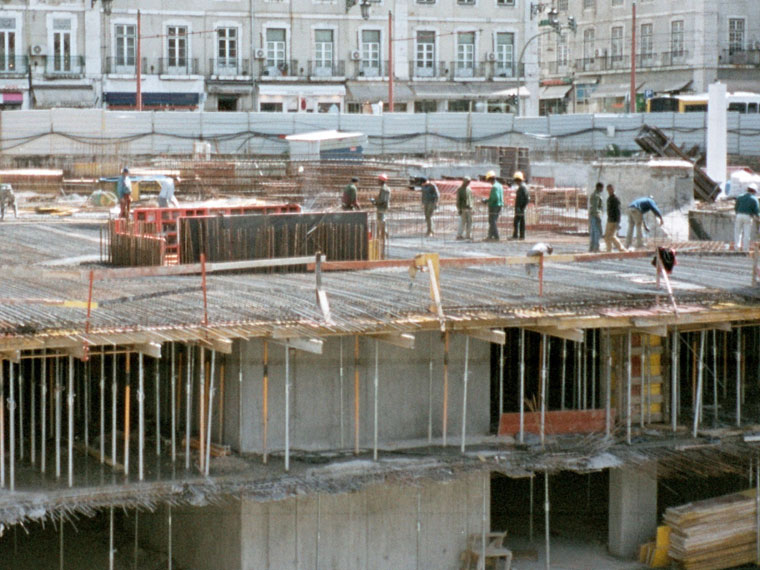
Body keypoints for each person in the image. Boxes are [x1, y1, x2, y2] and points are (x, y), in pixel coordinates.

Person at [734, 183, 760, 252]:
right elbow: (757, 211)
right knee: (746, 233)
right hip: (748, 217)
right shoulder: (754, 199)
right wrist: (757, 216)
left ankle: (736, 247)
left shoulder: (740, 197)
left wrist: (738, 212)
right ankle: (745, 249)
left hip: (739, 215)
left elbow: (736, 207)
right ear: (754, 191)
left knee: (737, 232)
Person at [604, 184, 626, 252]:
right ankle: (609, 250)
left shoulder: (615, 199)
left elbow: (618, 211)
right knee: (607, 237)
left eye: (611, 189)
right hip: (609, 220)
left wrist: (618, 222)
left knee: (612, 236)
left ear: (613, 189)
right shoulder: (609, 198)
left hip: (614, 220)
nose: (610, 191)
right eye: (609, 189)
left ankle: (622, 249)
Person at [483, 170, 503, 241]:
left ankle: (496, 236)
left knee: (492, 221)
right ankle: (490, 236)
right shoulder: (500, 185)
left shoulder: (494, 187)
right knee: (493, 221)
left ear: (490, 179)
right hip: (499, 205)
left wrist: (487, 201)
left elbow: (495, 197)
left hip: (494, 205)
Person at [370, 173, 391, 240]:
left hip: (381, 207)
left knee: (381, 222)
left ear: (381, 181)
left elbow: (382, 200)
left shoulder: (384, 189)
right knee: (382, 221)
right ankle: (384, 235)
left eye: (378, 180)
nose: (377, 181)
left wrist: (374, 202)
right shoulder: (386, 188)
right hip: (383, 207)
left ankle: (383, 236)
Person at [512, 171, 529, 240]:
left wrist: (521, 207)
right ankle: (521, 236)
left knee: (516, 222)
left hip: (520, 208)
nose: (516, 183)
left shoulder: (522, 187)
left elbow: (526, 198)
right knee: (521, 222)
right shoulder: (522, 187)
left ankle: (516, 235)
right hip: (520, 207)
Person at [588, 182, 604, 252]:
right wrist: (598, 216)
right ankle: (596, 247)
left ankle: (592, 247)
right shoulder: (596, 196)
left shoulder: (595, 195)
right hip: (595, 215)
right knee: (596, 232)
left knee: (593, 232)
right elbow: (595, 207)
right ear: (599, 187)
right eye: (602, 188)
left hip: (593, 215)